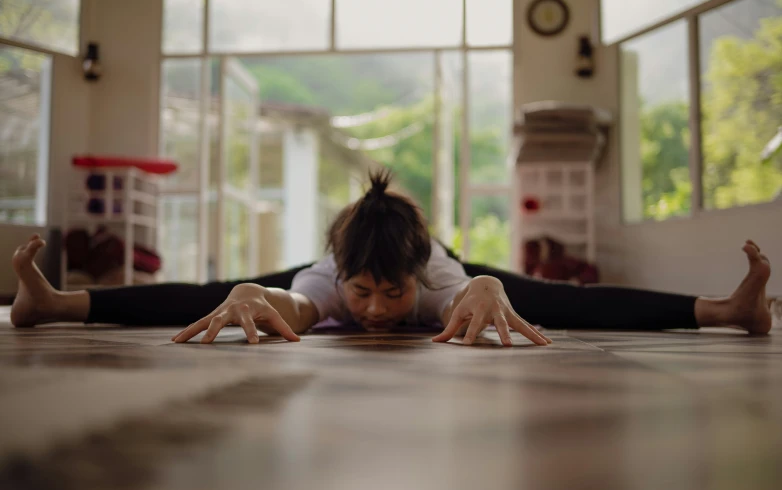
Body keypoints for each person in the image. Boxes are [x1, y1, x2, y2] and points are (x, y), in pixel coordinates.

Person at [9, 170, 773, 347]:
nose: (374, 312)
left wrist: (479, 283)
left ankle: (727, 310)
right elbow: (300, 308)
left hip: (454, 263)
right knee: (218, 294)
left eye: (390, 296)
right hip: (339, 260)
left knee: (545, 295)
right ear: (342, 279)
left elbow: (463, 288)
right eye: (363, 295)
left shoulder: (435, 278)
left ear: (417, 278)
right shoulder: (328, 284)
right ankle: (56, 302)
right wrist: (261, 296)